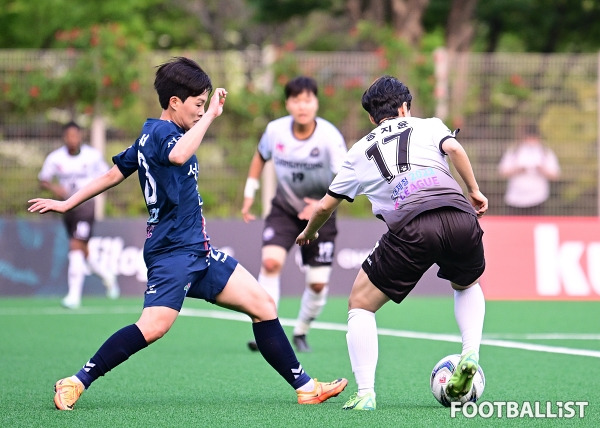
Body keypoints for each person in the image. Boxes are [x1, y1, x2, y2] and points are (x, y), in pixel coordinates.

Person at [28, 57, 347, 411]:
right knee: (153, 327)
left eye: (203, 105)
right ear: (175, 102)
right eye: (197, 104)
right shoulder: (165, 134)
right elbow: (179, 156)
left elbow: (113, 174)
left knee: (262, 304)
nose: (200, 111)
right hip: (172, 253)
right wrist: (211, 115)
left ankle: (305, 387)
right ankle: (75, 381)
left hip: (198, 252)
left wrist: (67, 202)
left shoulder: (151, 133)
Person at [295, 75, 488, 411]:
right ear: (404, 107)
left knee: (360, 304)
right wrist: (473, 190)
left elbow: (326, 204)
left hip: (412, 228)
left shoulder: (358, 151)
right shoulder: (428, 125)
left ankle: (366, 392)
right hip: (460, 217)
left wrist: (311, 231)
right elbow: (454, 148)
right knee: (467, 284)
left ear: (372, 117)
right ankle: (470, 352)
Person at [241, 76, 347, 353]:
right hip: (285, 209)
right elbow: (259, 156)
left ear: (316, 103)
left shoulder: (329, 136)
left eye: (308, 99)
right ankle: (266, 328)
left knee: (317, 284)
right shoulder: (275, 131)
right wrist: (249, 193)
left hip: (322, 213)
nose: (302, 106)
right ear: (287, 103)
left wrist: (321, 205)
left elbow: (347, 178)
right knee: (271, 263)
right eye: (296, 100)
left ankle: (301, 330)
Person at [38, 121, 120, 309]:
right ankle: (106, 275)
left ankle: (73, 296)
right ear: (64, 138)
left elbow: (108, 175)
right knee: (83, 251)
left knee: (75, 246)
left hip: (86, 206)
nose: (73, 139)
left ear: (80, 136)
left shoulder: (92, 156)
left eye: (76, 135)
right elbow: (43, 179)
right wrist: (55, 188)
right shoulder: (55, 158)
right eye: (69, 136)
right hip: (65, 208)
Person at [498, 123, 561, 215]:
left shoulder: (545, 152)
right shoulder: (514, 151)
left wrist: (542, 170)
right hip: (515, 198)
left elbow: (555, 174)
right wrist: (518, 170)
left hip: (538, 198)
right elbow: (502, 172)